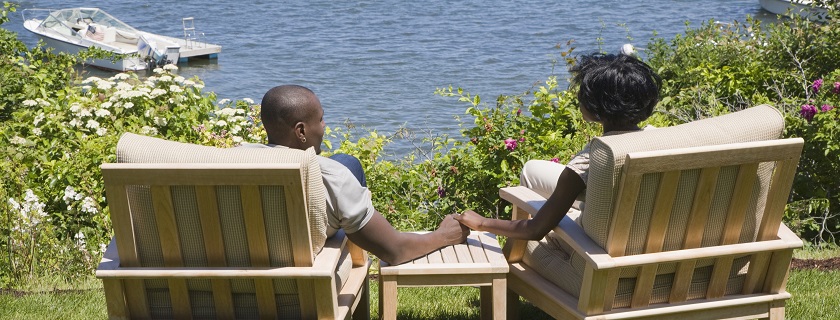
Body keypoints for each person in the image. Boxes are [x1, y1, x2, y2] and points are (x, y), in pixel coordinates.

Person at [249, 84, 469, 265]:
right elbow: (395, 251)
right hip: (302, 293)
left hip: (223, 298)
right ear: (301, 131)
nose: (324, 126)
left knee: (347, 162)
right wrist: (443, 235)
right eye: (321, 120)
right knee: (345, 169)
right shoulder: (330, 176)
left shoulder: (225, 163)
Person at [454, 52, 662, 240]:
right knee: (531, 169)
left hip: (595, 253)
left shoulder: (591, 161)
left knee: (552, 207)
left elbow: (534, 230)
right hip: (648, 243)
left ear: (595, 105)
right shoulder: (660, 140)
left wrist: (481, 223)